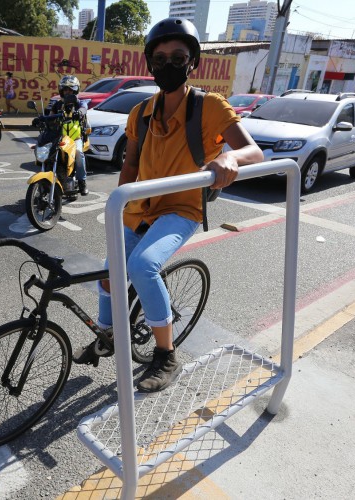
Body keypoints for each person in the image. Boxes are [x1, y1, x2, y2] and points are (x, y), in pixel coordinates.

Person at [72, 18, 263, 393]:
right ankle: (107, 335)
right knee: (109, 273)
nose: (168, 64)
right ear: (149, 62)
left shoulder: (209, 106)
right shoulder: (140, 112)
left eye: (179, 57)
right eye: (159, 58)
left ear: (193, 63)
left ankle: (166, 354)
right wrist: (118, 205)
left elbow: (253, 151)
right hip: (139, 206)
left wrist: (230, 159)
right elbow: (129, 163)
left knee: (143, 266)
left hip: (181, 208)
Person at [47, 75, 89, 195]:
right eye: (65, 89)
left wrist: (79, 113)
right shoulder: (57, 105)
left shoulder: (80, 103)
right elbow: (50, 116)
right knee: (46, 154)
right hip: (59, 138)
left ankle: (82, 182)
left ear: (75, 90)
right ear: (61, 91)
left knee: (79, 155)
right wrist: (42, 120)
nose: (67, 92)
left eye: (70, 90)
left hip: (75, 139)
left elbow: (84, 108)